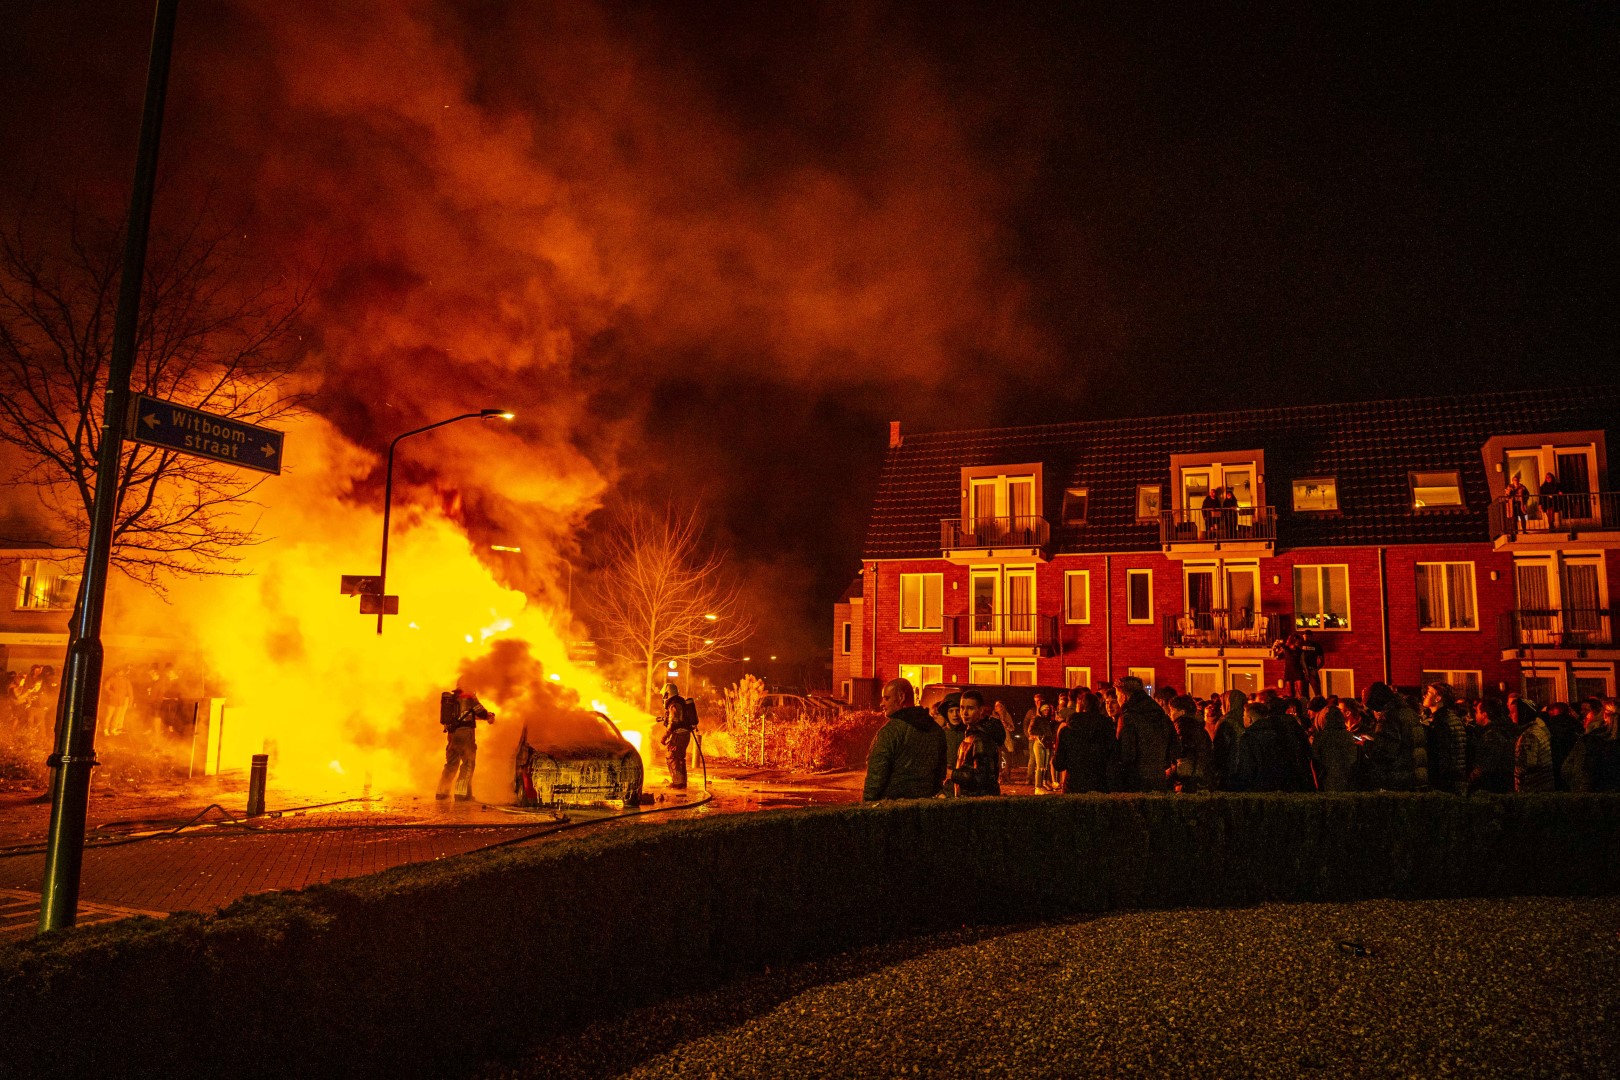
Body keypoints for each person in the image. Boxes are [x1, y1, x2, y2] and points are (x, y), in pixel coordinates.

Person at [863, 678, 947, 801]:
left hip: (893, 805)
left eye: (886, 698)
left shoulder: (891, 731)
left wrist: (868, 802)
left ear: (901, 697)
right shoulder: (936, 730)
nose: (882, 703)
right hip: (925, 804)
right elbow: (940, 773)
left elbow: (876, 774)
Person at [1114, 676, 1176, 792]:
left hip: (1135, 780)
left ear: (1124, 696)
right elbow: (1174, 748)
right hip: (1159, 777)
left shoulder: (1128, 718)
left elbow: (1126, 753)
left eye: (1117, 696)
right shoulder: (1161, 716)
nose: (1117, 700)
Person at [435, 686, 495, 800]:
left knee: (451, 765)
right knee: (468, 764)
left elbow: (466, 715)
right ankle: (461, 794)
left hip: (452, 736)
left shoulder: (452, 699)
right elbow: (481, 712)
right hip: (465, 734)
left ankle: (441, 793)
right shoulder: (469, 697)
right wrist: (489, 717)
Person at [1052, 690, 1114, 793]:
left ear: (1079, 707)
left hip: (1073, 786)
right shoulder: (1107, 728)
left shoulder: (1067, 730)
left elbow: (1058, 764)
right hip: (1099, 786)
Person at [1363, 683, 1421, 792]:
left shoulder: (1388, 716)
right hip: (1414, 774)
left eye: (1373, 707)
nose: (1375, 711)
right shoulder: (1409, 712)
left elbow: (1386, 752)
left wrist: (1366, 745)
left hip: (1397, 778)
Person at [953, 690, 1005, 797]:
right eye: (962, 708)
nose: (964, 713)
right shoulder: (971, 734)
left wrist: (952, 774)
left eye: (970, 708)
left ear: (980, 710)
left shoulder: (981, 738)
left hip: (977, 801)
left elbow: (981, 777)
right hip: (971, 800)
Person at [1563, 698, 1619, 793]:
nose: (1582, 713)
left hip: (1599, 792)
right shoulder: (1592, 738)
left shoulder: (1592, 738)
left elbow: (1576, 769)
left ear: (1604, 715)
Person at [1422, 682, 1468, 795]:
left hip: (1445, 780)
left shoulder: (1441, 721)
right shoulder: (1452, 718)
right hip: (1456, 776)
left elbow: (1439, 752)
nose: (1424, 695)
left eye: (1429, 693)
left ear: (1438, 698)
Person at [1467, 698, 1518, 794]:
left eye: (1477, 712)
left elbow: (1486, 764)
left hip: (1494, 786)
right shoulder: (1502, 730)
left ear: (1484, 714)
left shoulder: (1491, 736)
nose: (1475, 715)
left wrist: (1471, 780)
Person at [1310, 698, 1361, 791]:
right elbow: (1353, 758)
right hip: (1346, 780)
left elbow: (1315, 759)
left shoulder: (1320, 737)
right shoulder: (1348, 736)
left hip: (1326, 780)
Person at [658, 683, 699, 789]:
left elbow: (673, 722)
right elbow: (678, 718)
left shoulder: (674, 705)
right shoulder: (679, 702)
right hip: (684, 735)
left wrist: (665, 736)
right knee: (680, 758)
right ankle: (682, 782)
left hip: (678, 736)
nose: (663, 697)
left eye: (664, 695)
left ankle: (677, 783)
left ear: (667, 694)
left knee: (672, 757)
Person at [1168, 694, 1212, 792]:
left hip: (1188, 782)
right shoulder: (1199, 727)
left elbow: (1184, 759)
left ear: (1182, 712)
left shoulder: (1183, 728)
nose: (1170, 714)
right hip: (1200, 779)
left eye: (1172, 710)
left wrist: (1170, 773)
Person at [1514, 705, 1554, 792]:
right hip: (1543, 781)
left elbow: (1528, 762)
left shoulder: (1530, 734)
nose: (1510, 715)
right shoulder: (1537, 729)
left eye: (1513, 712)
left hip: (1534, 784)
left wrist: (1516, 771)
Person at [1543, 702, 1582, 791]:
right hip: (1571, 756)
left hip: (1556, 757)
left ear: (1554, 711)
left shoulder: (1550, 724)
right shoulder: (1575, 722)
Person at [1026, 697, 1059, 792]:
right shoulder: (1036, 718)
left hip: (1047, 744)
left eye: (1048, 710)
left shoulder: (1047, 720)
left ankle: (1044, 783)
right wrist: (1040, 736)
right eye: (1045, 709)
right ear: (1041, 710)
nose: (1046, 711)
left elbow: (1051, 732)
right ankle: (1037, 786)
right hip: (1039, 744)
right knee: (1040, 766)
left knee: (1045, 766)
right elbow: (1030, 730)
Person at [937, 694, 965, 798]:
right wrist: (939, 792)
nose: (955, 715)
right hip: (946, 789)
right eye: (951, 711)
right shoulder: (941, 734)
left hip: (965, 789)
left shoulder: (969, 733)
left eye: (958, 710)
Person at [100, 666, 135, 737]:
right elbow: (105, 687)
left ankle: (113, 729)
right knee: (109, 716)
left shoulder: (126, 680)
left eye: (122, 671)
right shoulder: (112, 679)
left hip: (121, 702)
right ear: (117, 672)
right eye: (119, 671)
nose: (121, 673)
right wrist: (111, 693)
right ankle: (105, 730)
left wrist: (131, 702)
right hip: (112, 701)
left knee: (117, 716)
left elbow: (130, 692)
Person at [1298, 631, 1325, 698]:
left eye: (1308, 636)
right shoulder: (1299, 644)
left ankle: (1318, 702)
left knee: (1317, 691)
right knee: (1303, 693)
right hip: (1302, 671)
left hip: (1312, 670)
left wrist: (1316, 669)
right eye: (1305, 636)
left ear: (1311, 636)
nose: (1306, 637)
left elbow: (1322, 661)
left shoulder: (1316, 645)